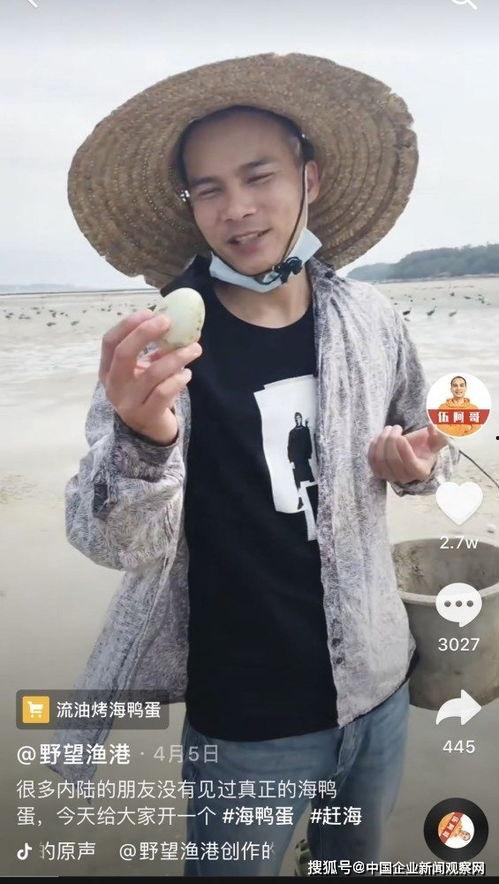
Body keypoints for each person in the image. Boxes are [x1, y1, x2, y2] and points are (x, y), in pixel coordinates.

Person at [47, 53, 460, 876]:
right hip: (243, 719)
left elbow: (423, 452)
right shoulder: (160, 348)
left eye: (258, 176)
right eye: (207, 189)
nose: (235, 207)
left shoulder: (371, 319)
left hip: (376, 688)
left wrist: (412, 467)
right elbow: (111, 542)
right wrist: (142, 437)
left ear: (311, 178)